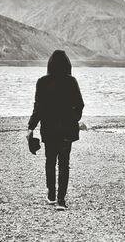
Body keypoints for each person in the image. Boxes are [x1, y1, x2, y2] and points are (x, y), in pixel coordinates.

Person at [27, 50, 84, 211]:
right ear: (67, 65)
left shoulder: (42, 82)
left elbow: (38, 108)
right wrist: (73, 120)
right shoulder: (71, 81)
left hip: (49, 130)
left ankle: (51, 195)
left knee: (50, 161)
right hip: (67, 130)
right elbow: (80, 105)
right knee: (64, 164)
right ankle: (61, 200)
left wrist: (31, 127)